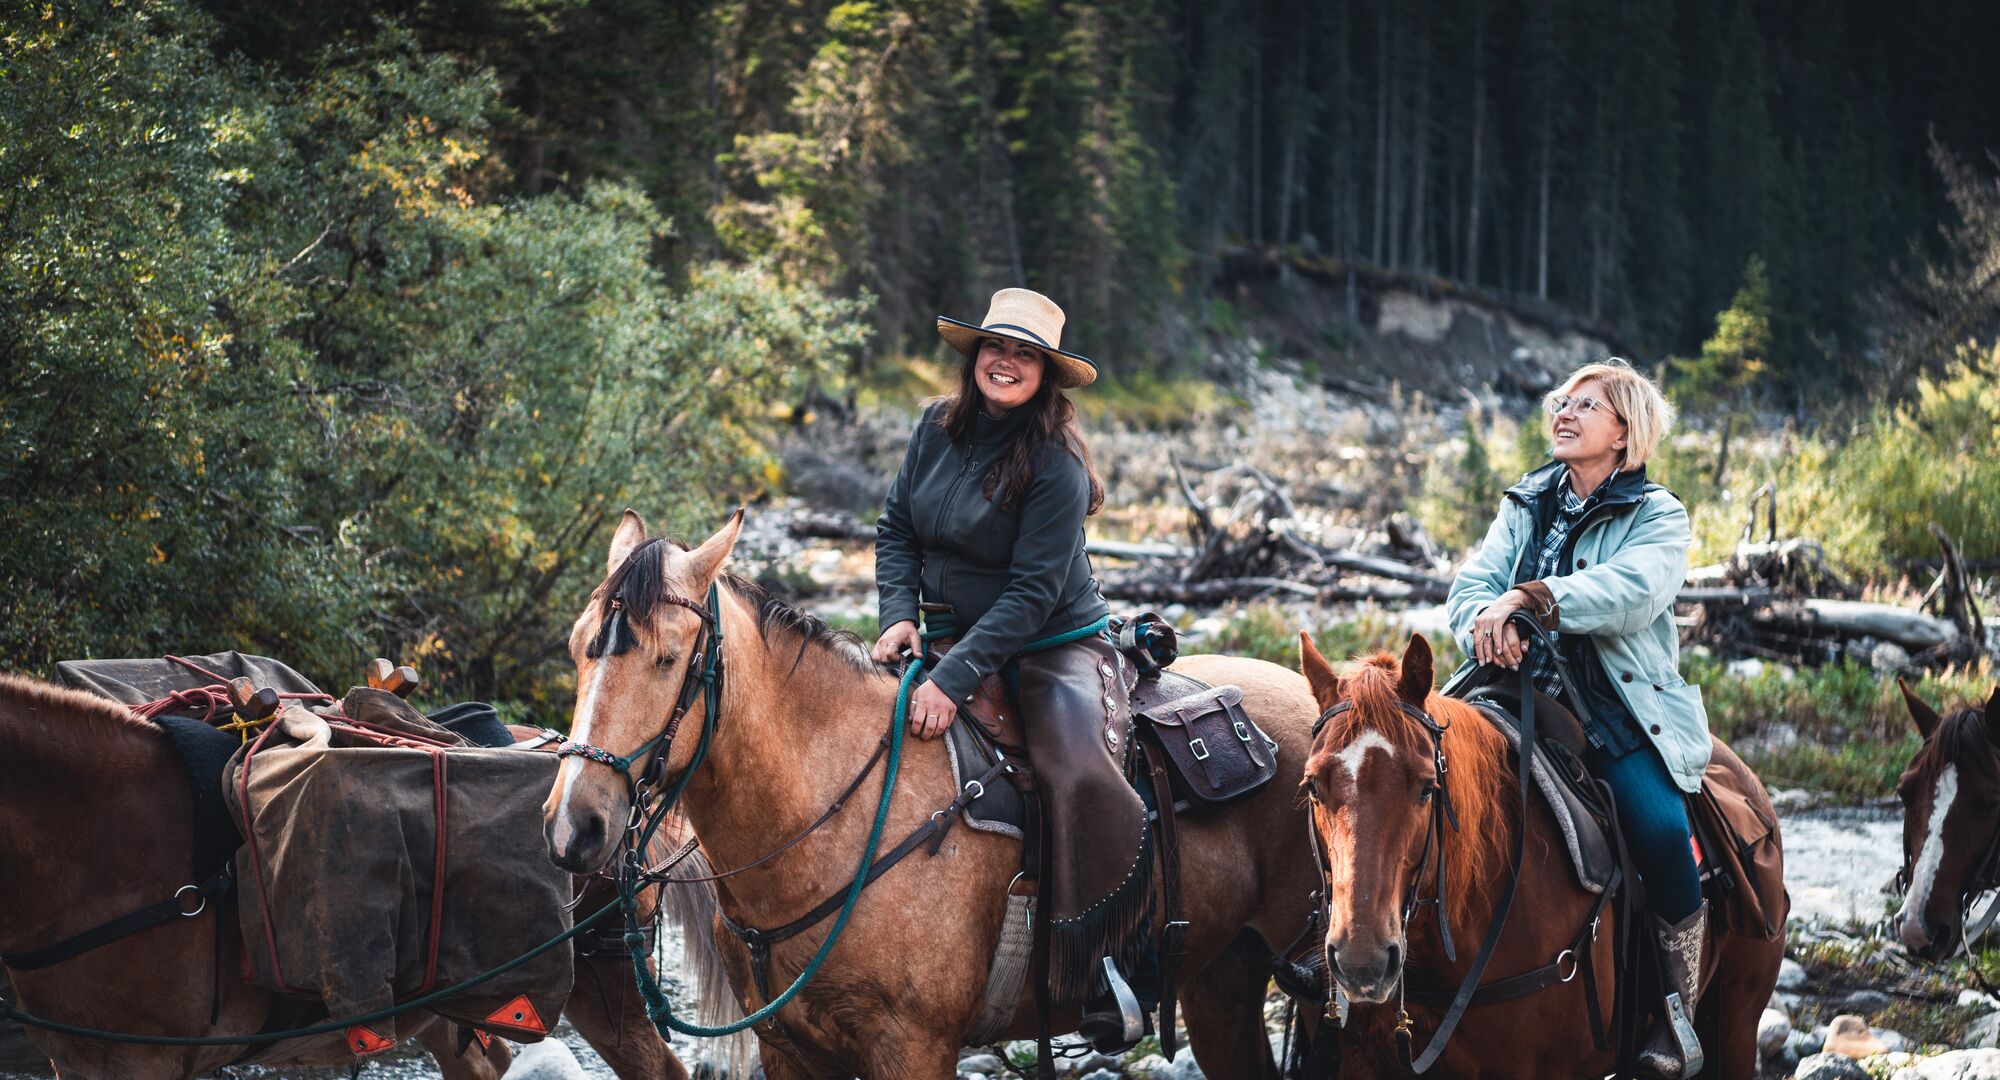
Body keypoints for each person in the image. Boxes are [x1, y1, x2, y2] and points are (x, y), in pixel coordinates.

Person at [872, 287, 1152, 1051]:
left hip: (1051, 641)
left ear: (1045, 375)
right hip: (945, 630)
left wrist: (951, 680)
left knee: (1076, 770)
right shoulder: (935, 427)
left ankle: (1098, 965)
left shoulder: (1056, 465)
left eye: (1025, 355)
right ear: (976, 356)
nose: (1006, 362)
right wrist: (899, 613)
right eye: (998, 348)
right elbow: (897, 526)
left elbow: (1030, 595)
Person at [1445, 359, 1712, 1079]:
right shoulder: (1526, 501)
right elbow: (1473, 580)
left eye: (1585, 405)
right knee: (1397, 775)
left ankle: (1672, 1011)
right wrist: (1482, 620)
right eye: (1562, 402)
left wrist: (1530, 600)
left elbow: (1631, 591)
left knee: (1660, 829)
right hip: (1504, 687)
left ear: (1625, 431)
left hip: (1611, 707)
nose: (1563, 413)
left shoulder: (1657, 513)